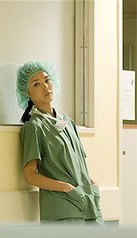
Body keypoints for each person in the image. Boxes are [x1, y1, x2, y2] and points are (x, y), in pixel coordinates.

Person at [18, 61, 104, 225]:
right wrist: (66, 188)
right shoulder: (34, 127)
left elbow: (79, 164)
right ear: (27, 93)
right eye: (37, 84)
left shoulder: (67, 122)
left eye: (47, 80)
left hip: (88, 203)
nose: (45, 87)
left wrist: (92, 184)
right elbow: (30, 175)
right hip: (63, 209)